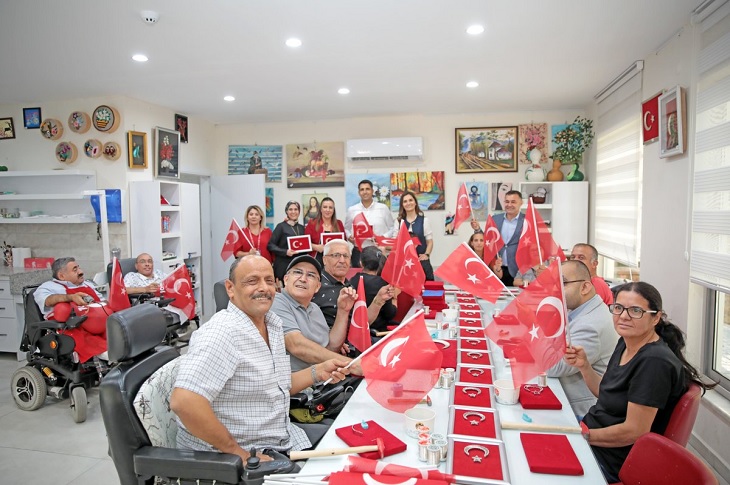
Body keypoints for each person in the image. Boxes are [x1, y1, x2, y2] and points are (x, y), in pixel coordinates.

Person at [170, 255, 350, 462]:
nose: (264, 288)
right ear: (230, 288)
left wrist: (317, 372)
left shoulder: (271, 324)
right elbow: (184, 402)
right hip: (245, 454)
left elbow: (277, 386)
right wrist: (240, 455)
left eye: (269, 281)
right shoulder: (220, 333)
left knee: (351, 440)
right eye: (252, 281)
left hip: (281, 437)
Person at [565, 281, 715, 482]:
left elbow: (634, 431)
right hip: (593, 433)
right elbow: (607, 394)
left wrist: (581, 435)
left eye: (636, 310)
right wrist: (585, 366)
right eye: (618, 308)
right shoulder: (625, 342)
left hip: (611, 458)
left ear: (656, 317)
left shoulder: (654, 363)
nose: (624, 316)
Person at [546, 260, 617, 417]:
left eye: (563, 283)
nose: (556, 290)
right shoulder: (581, 309)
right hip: (562, 391)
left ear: (585, 287)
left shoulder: (591, 325)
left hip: (577, 409)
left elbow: (553, 366)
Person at [270, 254, 361, 373]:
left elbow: (331, 347)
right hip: (294, 386)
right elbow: (297, 346)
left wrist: (343, 311)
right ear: (286, 279)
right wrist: (352, 365)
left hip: (322, 381)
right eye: (297, 272)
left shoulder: (315, 308)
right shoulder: (276, 301)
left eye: (311, 275)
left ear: (318, 286)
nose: (303, 279)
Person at [34, 257, 107, 362]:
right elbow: (48, 301)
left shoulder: (88, 284)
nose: (81, 272)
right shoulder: (47, 287)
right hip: (73, 326)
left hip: (97, 322)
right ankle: (105, 352)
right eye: (75, 270)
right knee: (78, 334)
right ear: (61, 276)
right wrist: (71, 297)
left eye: (79, 267)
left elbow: (103, 301)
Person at [123, 252, 189, 324]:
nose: (147, 264)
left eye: (150, 261)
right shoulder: (132, 276)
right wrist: (145, 289)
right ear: (136, 266)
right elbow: (123, 290)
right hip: (148, 309)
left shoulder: (159, 273)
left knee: (187, 309)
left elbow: (172, 284)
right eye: (143, 262)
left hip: (168, 305)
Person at [344, 179, 394, 267]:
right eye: (362, 189)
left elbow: (392, 228)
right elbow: (346, 229)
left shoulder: (383, 208)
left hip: (378, 250)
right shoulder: (352, 210)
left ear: (372, 191)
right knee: (358, 278)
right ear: (359, 192)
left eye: (367, 189)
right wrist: (349, 237)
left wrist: (382, 238)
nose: (365, 192)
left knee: (379, 278)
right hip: (359, 251)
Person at [349, 246, 398, 334]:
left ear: (361, 263)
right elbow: (390, 314)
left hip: (356, 330)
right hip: (377, 333)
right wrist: (395, 297)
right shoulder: (383, 284)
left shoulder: (352, 280)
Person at [392, 190, 434, 280]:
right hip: (403, 263)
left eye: (410, 200)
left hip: (421, 263)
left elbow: (429, 242)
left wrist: (426, 254)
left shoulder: (424, 220)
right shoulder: (398, 222)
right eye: (405, 201)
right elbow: (395, 242)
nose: (408, 203)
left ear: (415, 202)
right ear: (402, 205)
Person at [490, 190, 524, 286]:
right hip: (497, 268)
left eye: (513, 202)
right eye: (507, 201)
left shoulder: (526, 220)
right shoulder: (495, 219)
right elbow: (487, 238)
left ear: (521, 203)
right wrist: (477, 229)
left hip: (517, 270)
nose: (509, 204)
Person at [268, 200, 306, 284]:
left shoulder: (302, 228)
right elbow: (270, 245)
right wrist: (285, 252)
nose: (293, 212)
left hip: (298, 265)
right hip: (283, 265)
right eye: (290, 209)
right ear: (286, 211)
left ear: (299, 211)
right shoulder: (281, 226)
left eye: (296, 209)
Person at [305, 197, 345, 264]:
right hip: (317, 260)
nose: (327, 210)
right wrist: (316, 247)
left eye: (330, 207)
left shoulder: (339, 223)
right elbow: (305, 243)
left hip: (336, 261)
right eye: (325, 207)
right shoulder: (312, 223)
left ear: (333, 210)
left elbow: (344, 242)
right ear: (321, 209)